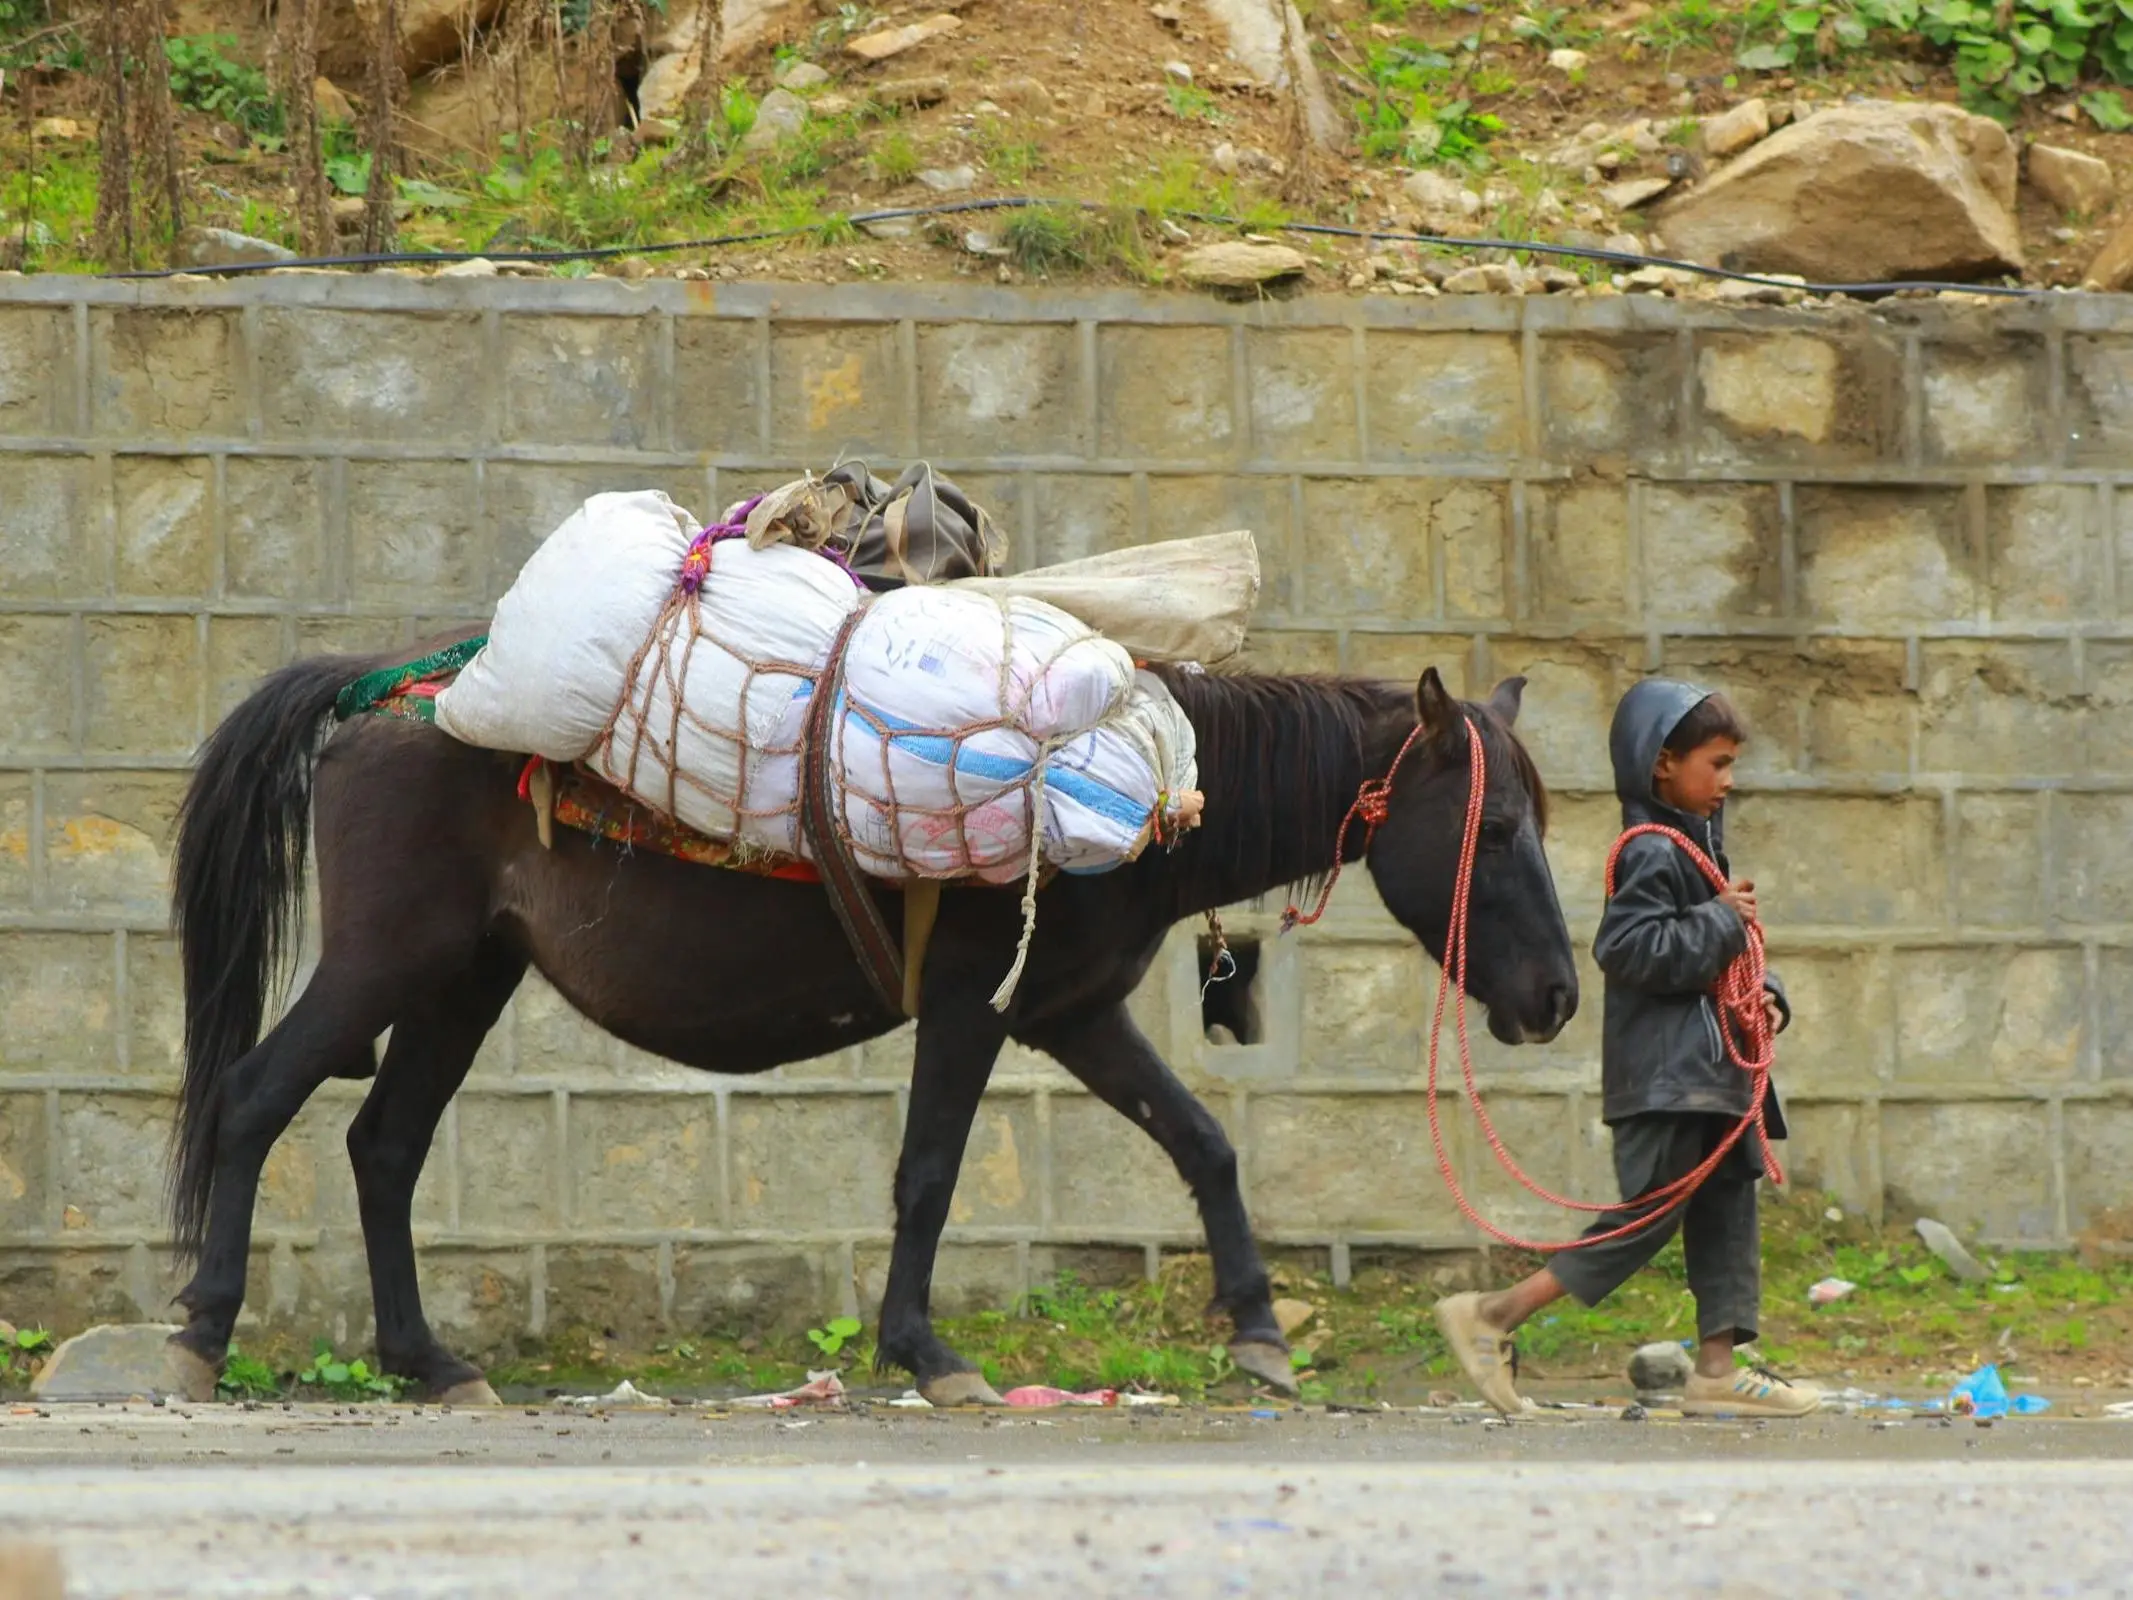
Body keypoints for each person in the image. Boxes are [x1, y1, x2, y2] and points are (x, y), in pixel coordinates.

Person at [1433, 678, 1821, 1418]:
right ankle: (1492, 1315)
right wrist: (1720, 922)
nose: (1728, 780)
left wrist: (1765, 990)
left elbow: (1721, 953)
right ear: (1661, 765)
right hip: (1668, 1079)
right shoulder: (1648, 849)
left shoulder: (1697, 848)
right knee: (1646, 1219)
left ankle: (1717, 1369)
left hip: (1712, 1076)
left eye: (1732, 763)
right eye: (1716, 762)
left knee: (1726, 1210)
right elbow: (1631, 949)